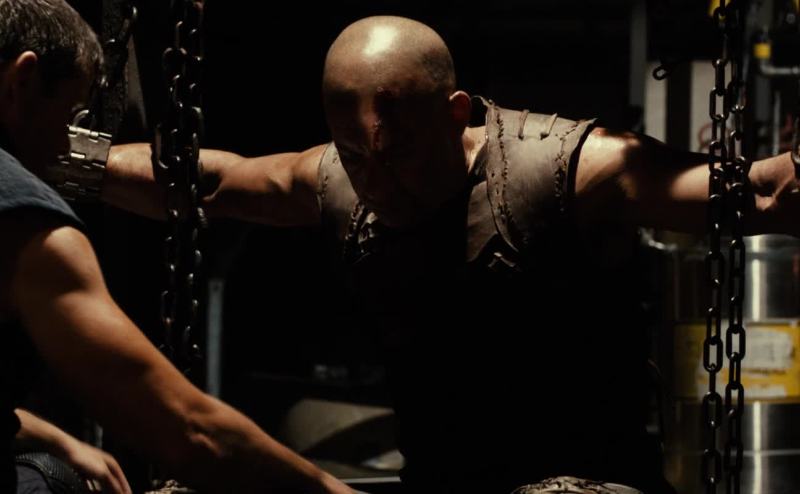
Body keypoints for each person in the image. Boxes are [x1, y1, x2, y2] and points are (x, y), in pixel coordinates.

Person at [93, 15, 799, 494]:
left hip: (591, 483)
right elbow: (212, 182)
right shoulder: (336, 181)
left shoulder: (567, 169)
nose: (378, 181)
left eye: (398, 152)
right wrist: (63, 157)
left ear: (456, 112)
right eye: (354, 155)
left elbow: (763, 194)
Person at [0, 1, 354, 493]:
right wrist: (330, 489)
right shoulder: (32, 231)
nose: (66, 146)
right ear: (21, 82)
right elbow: (188, 430)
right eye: (69, 117)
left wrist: (58, 439)